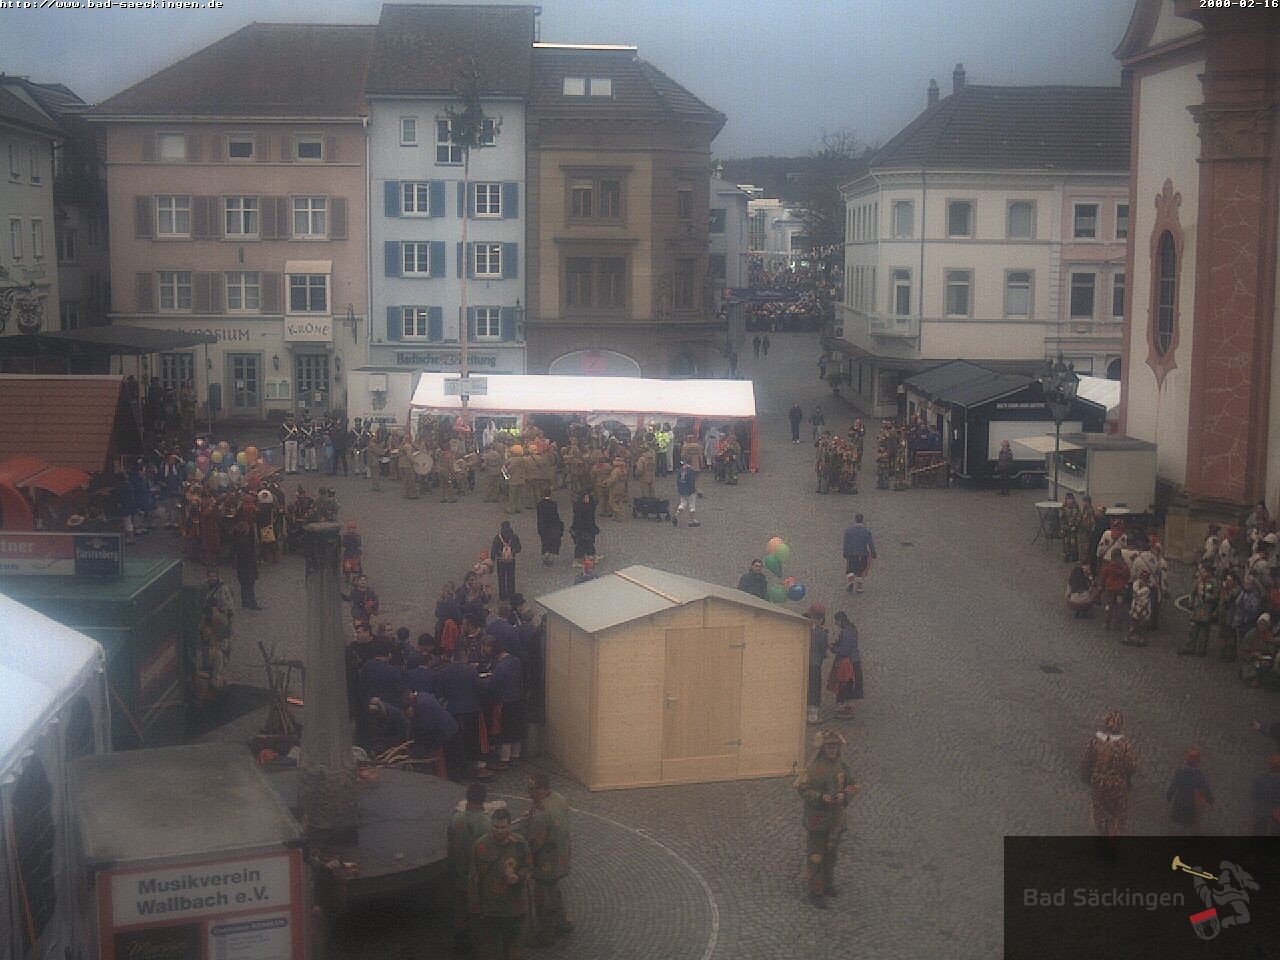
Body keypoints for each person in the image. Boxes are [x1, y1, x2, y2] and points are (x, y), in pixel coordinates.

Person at [794, 729, 857, 908]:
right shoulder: (814, 768)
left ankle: (827, 884)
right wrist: (821, 797)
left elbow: (853, 785)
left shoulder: (842, 767)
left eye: (835, 746)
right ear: (823, 748)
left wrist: (845, 795)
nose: (832, 750)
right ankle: (815, 891)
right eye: (829, 746)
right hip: (817, 821)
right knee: (816, 856)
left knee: (831, 856)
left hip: (835, 821)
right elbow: (803, 789)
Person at [468, 808, 531, 960]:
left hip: (514, 908)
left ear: (510, 826)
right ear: (490, 825)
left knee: (514, 948)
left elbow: (529, 868)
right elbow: (473, 879)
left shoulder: (520, 844)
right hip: (490, 909)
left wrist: (518, 877)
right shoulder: (480, 846)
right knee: (490, 950)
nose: (499, 831)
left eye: (503, 827)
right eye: (496, 827)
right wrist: (474, 906)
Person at [522, 771, 573, 946]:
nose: (529, 792)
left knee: (543, 898)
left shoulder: (541, 814)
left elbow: (535, 843)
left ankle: (547, 934)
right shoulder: (559, 798)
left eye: (532, 788)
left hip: (545, 863)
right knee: (554, 890)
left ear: (543, 789)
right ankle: (563, 922)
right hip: (562, 856)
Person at [448, 784, 492, 955]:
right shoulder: (488, 823)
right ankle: (479, 948)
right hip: (480, 878)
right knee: (478, 911)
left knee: (461, 910)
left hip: (460, 874)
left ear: (467, 799)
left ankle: (461, 944)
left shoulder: (456, 819)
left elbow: (450, 848)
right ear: (483, 800)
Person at [1081, 710, 1137, 838]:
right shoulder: (1124, 746)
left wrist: (1086, 776)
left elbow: (1086, 761)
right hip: (1117, 785)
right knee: (1117, 813)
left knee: (1100, 809)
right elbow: (1132, 766)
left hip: (1098, 783)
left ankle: (1102, 832)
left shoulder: (1094, 742)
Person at [1166, 747, 1213, 835]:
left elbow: (1174, 785)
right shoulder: (1198, 775)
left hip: (1180, 801)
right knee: (1191, 823)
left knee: (1181, 823)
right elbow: (1204, 788)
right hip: (1191, 803)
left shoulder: (1180, 771)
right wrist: (1210, 799)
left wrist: (1169, 795)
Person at [828, 611, 861, 719]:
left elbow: (845, 650)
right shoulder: (851, 629)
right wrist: (837, 643)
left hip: (847, 663)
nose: (836, 623)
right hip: (854, 661)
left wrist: (833, 648)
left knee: (844, 685)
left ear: (840, 620)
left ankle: (845, 709)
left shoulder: (846, 632)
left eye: (836, 621)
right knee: (849, 686)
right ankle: (846, 708)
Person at [1180, 564, 1219, 656]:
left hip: (1206, 610)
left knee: (1204, 631)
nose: (1201, 573)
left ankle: (1201, 650)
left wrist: (1206, 597)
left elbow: (1215, 596)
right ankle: (1189, 648)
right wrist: (1191, 603)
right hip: (1197, 609)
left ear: (1208, 572)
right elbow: (1193, 592)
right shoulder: (1199, 581)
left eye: (1203, 571)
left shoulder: (1213, 583)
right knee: (1193, 630)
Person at [230, 521, 261, 610]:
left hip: (241, 565)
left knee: (244, 585)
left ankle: (245, 602)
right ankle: (252, 603)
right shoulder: (244, 541)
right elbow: (249, 555)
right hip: (247, 566)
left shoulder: (236, 539)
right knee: (249, 585)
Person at [805, 604, 828, 725]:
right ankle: (813, 716)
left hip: (804, 662)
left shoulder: (805, 630)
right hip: (815, 663)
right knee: (814, 688)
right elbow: (823, 651)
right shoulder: (822, 633)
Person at [842, 513, 875, 593]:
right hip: (863, 553)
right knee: (861, 570)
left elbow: (845, 543)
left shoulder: (848, 531)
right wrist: (873, 553)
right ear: (862, 520)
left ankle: (851, 582)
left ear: (855, 520)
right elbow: (870, 544)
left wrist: (845, 552)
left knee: (850, 569)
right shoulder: (867, 532)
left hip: (852, 553)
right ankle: (859, 588)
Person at [1099, 548, 1130, 633]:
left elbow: (1103, 576)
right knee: (1119, 606)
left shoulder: (1109, 566)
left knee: (1109, 605)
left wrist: (1101, 586)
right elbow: (1127, 576)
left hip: (1110, 589)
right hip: (1120, 589)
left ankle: (1106, 623)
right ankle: (1118, 623)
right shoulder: (1124, 566)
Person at [1248, 755, 1280, 835]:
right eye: (1274, 764)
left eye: (1277, 764)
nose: (1276, 766)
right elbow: (1254, 795)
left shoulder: (1262, 779)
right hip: (1263, 814)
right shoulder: (1262, 779)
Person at [491, 521, 521, 602]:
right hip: (511, 561)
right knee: (511, 577)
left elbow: (494, 549)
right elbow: (519, 548)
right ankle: (511, 594)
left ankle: (502, 595)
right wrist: (513, 551)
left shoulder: (497, 538)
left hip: (500, 561)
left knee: (501, 578)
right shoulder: (514, 537)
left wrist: (492, 559)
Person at [569, 493, 599, 566]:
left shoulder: (588, 507)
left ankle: (589, 556)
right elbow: (578, 520)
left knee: (588, 543)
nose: (587, 499)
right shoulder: (580, 509)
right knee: (581, 544)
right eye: (585, 498)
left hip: (587, 529)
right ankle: (580, 559)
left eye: (588, 497)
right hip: (582, 530)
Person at [1125, 570, 1152, 646]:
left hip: (1142, 610)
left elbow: (1144, 601)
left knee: (1141, 625)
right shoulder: (1138, 585)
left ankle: (1141, 639)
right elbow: (1136, 593)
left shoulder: (1146, 589)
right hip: (1136, 608)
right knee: (1134, 624)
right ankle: (1130, 638)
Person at [536, 494, 564, 565]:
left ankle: (545, 554)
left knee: (544, 541)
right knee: (552, 541)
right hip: (552, 526)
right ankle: (550, 557)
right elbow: (555, 516)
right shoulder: (553, 504)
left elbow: (539, 517)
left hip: (543, 526)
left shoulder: (539, 504)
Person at [676, 459, 700, 527]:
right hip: (689, 490)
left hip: (682, 490)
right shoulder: (690, 470)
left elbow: (678, 480)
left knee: (682, 504)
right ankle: (691, 520)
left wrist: (679, 488)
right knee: (692, 505)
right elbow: (691, 481)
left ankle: (676, 516)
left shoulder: (681, 470)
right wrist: (694, 490)